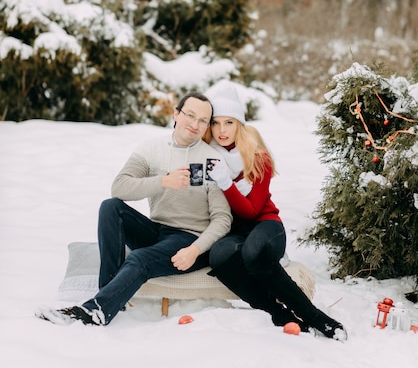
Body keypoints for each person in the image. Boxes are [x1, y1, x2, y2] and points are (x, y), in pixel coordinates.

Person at [36, 92, 232, 326]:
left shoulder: (213, 161)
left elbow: (222, 219)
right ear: (176, 114)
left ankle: (96, 311)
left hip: (190, 240)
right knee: (111, 208)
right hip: (158, 231)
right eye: (190, 115)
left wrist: (195, 249)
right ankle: (107, 294)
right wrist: (163, 181)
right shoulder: (152, 149)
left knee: (140, 259)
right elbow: (119, 187)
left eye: (203, 120)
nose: (195, 124)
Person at [204, 82, 348, 341]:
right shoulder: (207, 158)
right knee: (219, 256)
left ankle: (315, 316)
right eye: (216, 123)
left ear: (240, 124)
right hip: (233, 232)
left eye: (229, 122)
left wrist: (225, 182)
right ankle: (278, 313)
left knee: (253, 251)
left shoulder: (257, 157)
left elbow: (251, 211)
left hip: (265, 225)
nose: (222, 130)